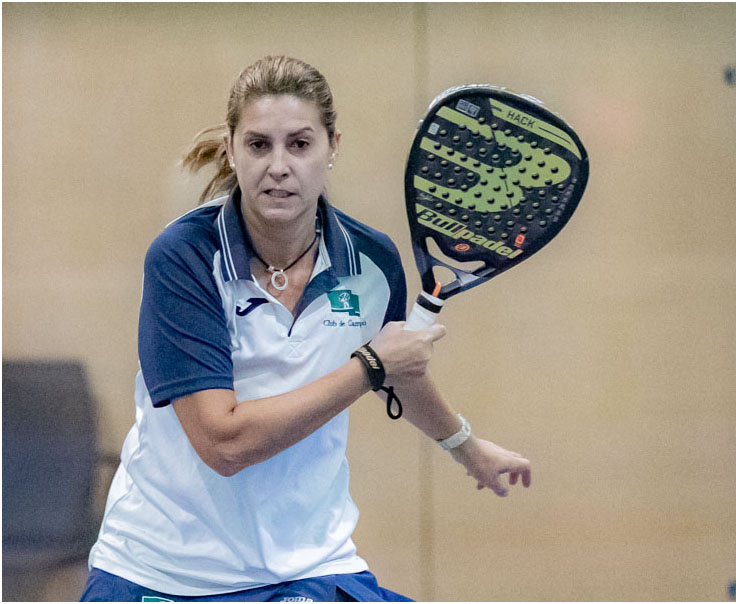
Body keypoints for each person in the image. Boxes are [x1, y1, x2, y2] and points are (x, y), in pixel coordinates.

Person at [81, 55, 531, 602]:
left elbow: (399, 374)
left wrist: (466, 447)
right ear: (231, 149)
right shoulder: (185, 257)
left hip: (310, 563)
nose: (279, 166)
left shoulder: (373, 262)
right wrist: (369, 367)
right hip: (166, 574)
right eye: (258, 145)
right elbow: (224, 443)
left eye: (299, 144)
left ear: (332, 147)